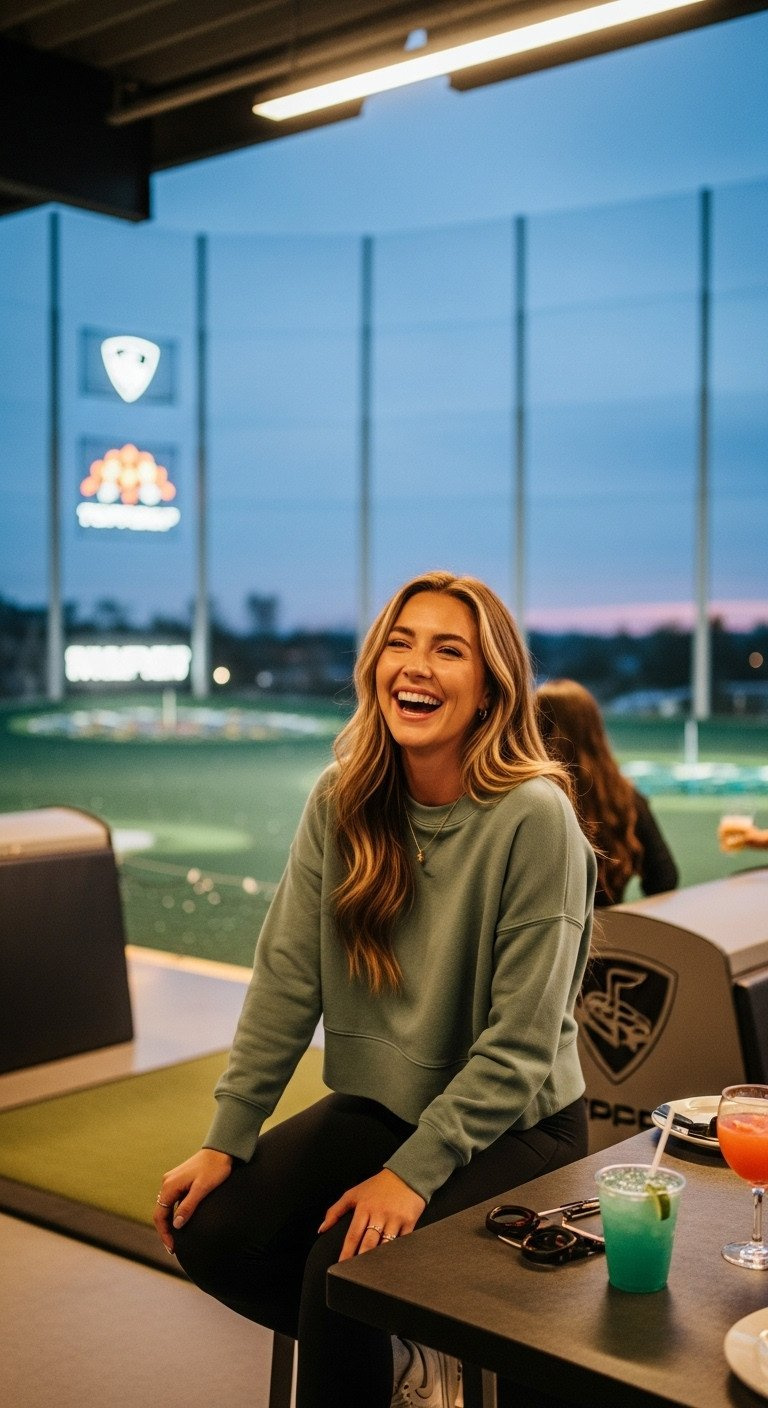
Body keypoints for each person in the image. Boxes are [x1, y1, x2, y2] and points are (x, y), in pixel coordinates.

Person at [153, 571, 597, 1408]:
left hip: (518, 1125)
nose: (415, 666)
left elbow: (521, 1047)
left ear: (490, 686)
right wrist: (227, 1135)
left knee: (343, 1267)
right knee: (205, 1230)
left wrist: (413, 1174)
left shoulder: (535, 818)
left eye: (448, 649)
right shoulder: (344, 798)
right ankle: (404, 1353)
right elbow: (288, 978)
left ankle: (381, 1338)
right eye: (400, 642)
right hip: (385, 1102)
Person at [535, 678, 678, 908]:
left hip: (543, 941)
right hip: (609, 937)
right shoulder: (627, 799)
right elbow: (664, 879)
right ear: (595, 731)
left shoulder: (528, 799)